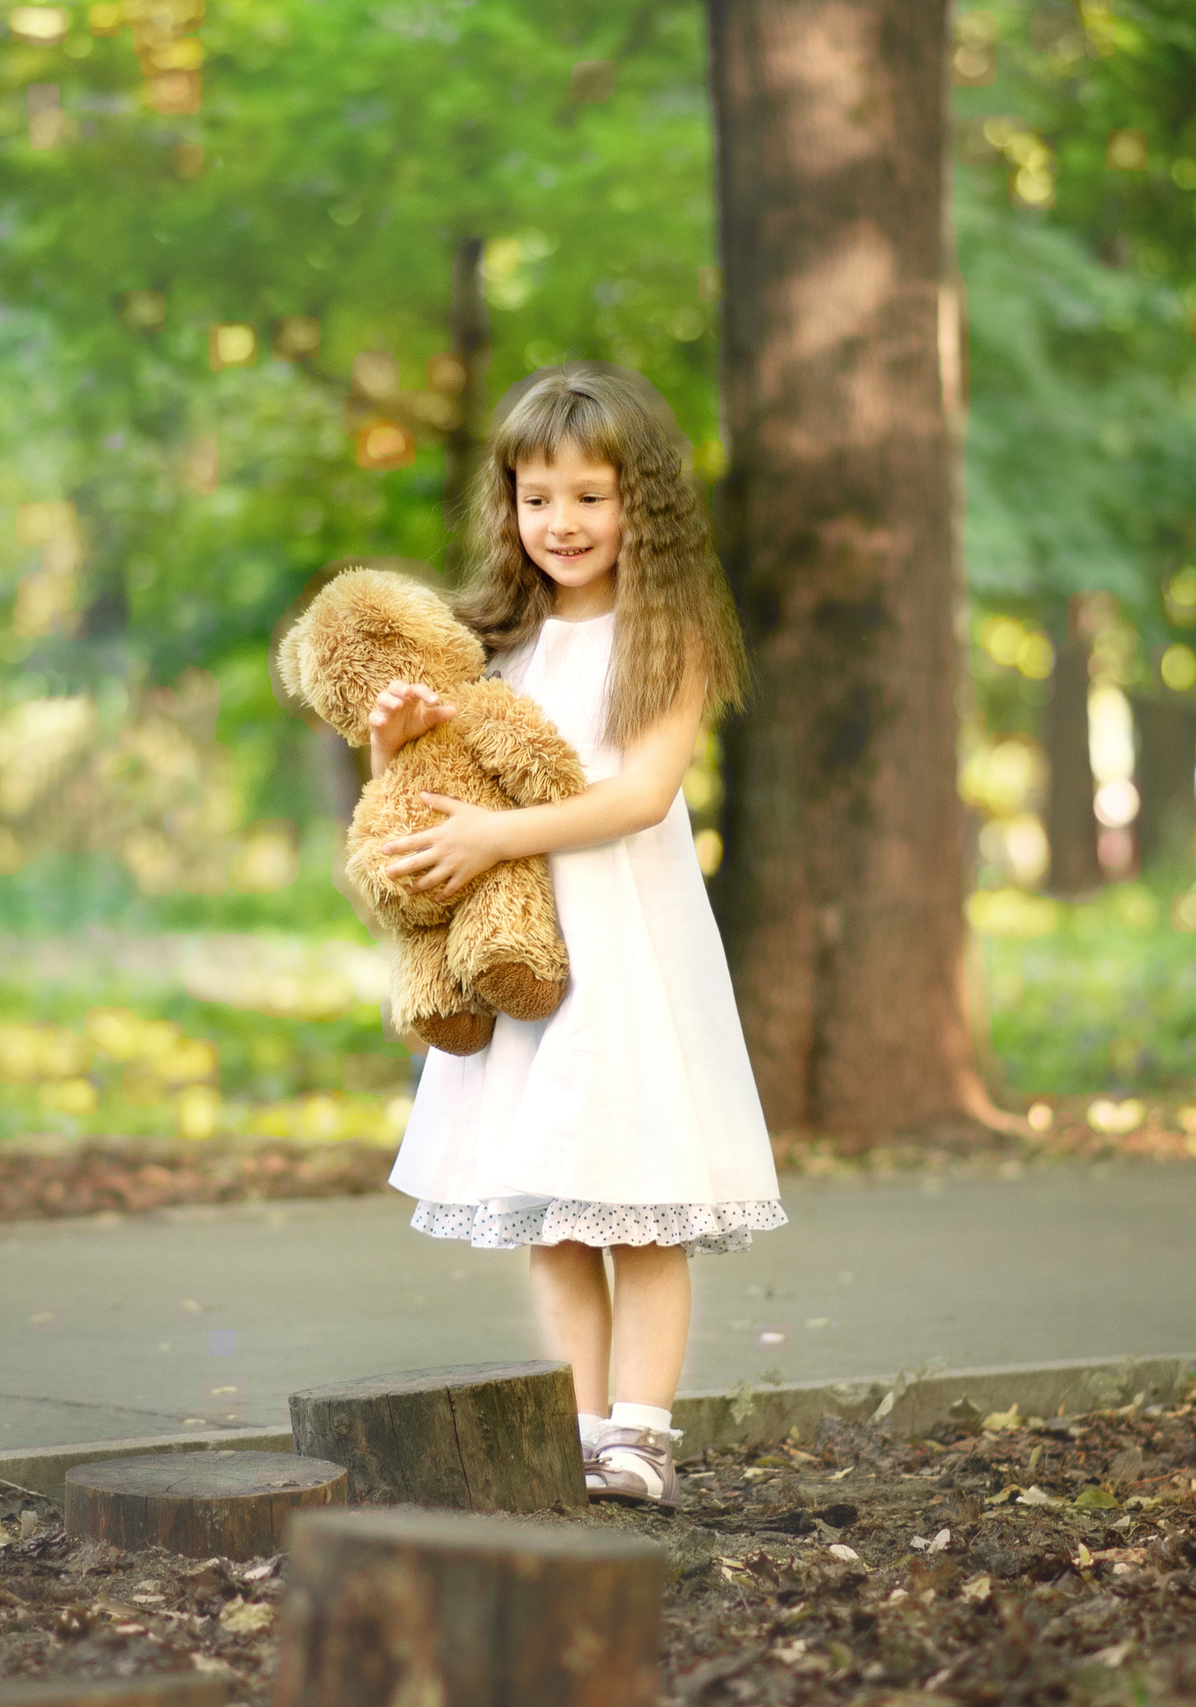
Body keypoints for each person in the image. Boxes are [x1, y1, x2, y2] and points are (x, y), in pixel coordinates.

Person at [367, 361, 784, 1510]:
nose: (560, 522)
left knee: (637, 1202)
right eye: (535, 496)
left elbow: (639, 795)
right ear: (506, 504)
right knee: (551, 1208)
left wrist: (498, 835)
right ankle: (579, 1426)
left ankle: (642, 1433)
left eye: (589, 496)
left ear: (639, 502)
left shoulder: (668, 632)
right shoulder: (487, 638)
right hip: (526, 955)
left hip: (628, 952)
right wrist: (392, 748)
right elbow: (428, 795)